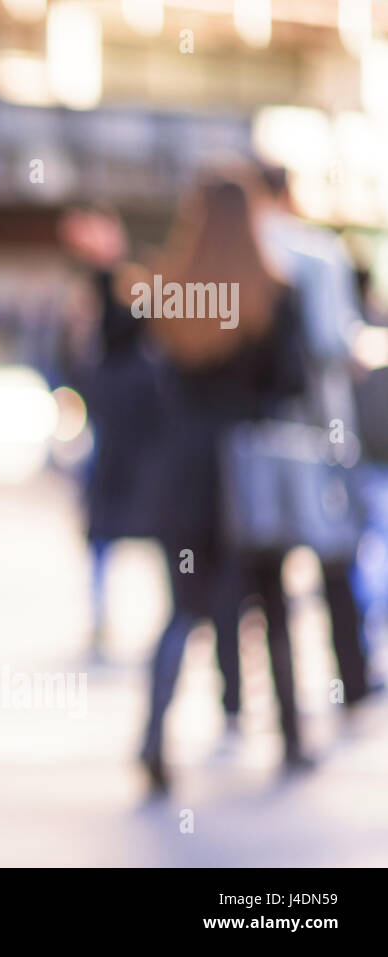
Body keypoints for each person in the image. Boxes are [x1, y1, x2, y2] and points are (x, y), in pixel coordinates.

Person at [136, 170, 310, 794]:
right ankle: (290, 737)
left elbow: (147, 386)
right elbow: (291, 384)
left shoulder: (172, 292)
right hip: (250, 471)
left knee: (184, 609)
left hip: (184, 470)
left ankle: (155, 734)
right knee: (272, 604)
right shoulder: (272, 292)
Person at [251, 163, 373, 717]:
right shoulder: (316, 252)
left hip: (254, 434)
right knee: (334, 556)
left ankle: (265, 708)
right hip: (320, 427)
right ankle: (350, 678)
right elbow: (334, 339)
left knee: (264, 572)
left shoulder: (232, 252)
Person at [59, 207, 165, 663]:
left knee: (107, 536)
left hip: (115, 447)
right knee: (152, 531)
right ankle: (163, 612)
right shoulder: (143, 361)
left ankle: (104, 614)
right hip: (137, 450)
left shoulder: (103, 360)